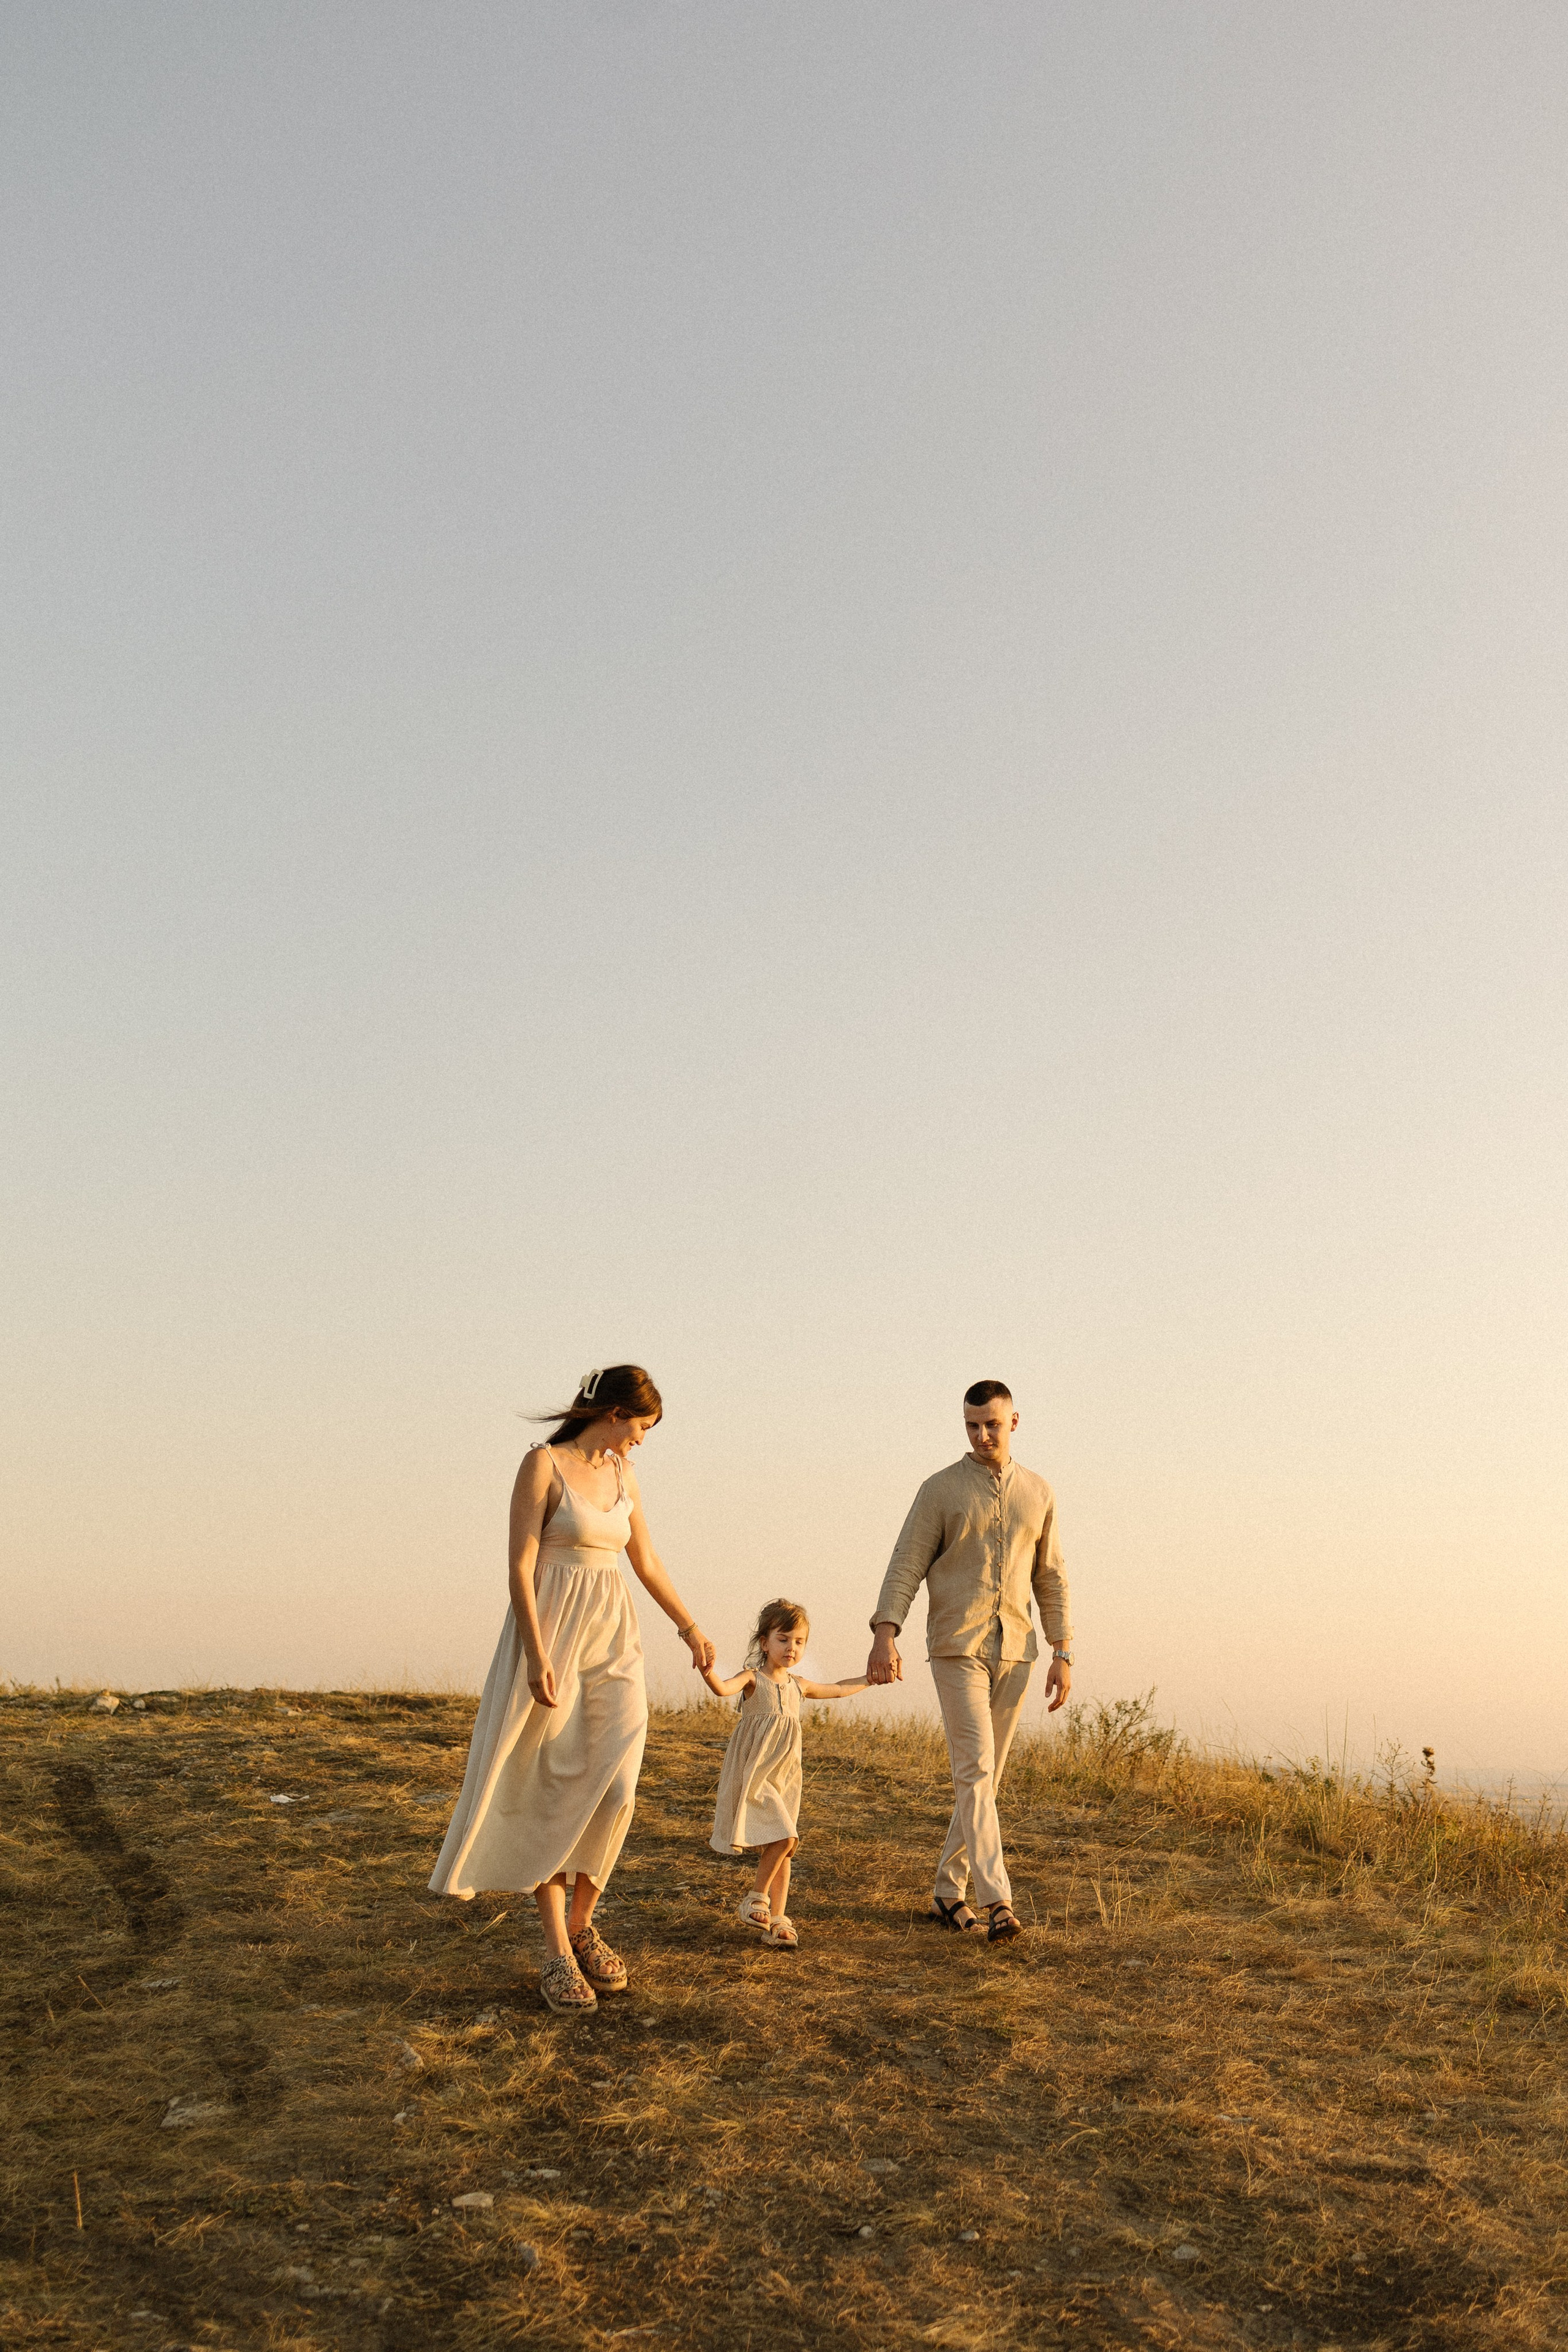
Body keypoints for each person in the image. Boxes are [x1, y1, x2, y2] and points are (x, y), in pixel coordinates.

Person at [430, 1365, 717, 2014]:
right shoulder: (543, 1466)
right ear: (615, 1412)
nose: (642, 1441)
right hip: (554, 1634)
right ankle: (559, 1950)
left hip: (614, 1638)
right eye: (642, 1427)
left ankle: (585, 1919)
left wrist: (689, 1627)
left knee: (617, 1787)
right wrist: (535, 1654)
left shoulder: (624, 1475)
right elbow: (520, 1566)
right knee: (554, 1787)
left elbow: (644, 1560)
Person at [865, 1380, 1072, 1945]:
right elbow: (907, 1561)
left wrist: (1063, 1650)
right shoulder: (939, 1490)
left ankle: (945, 1889)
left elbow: (1049, 1576)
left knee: (984, 1779)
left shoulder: (1039, 1492)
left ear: (1014, 1422)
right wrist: (886, 1633)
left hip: (1018, 1650)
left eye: (992, 1425)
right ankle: (999, 1902)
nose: (982, 1436)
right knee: (977, 1770)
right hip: (957, 1647)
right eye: (972, 1426)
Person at [701, 1598, 871, 1950]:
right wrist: (707, 1670)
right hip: (756, 1775)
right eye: (783, 1639)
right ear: (764, 1642)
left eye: (799, 1641)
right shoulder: (753, 1679)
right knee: (786, 1839)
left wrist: (871, 1679)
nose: (791, 1648)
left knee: (783, 1848)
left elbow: (838, 1689)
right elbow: (722, 1688)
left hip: (785, 1778)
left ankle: (778, 1922)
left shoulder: (799, 1686)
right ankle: (755, 1899)